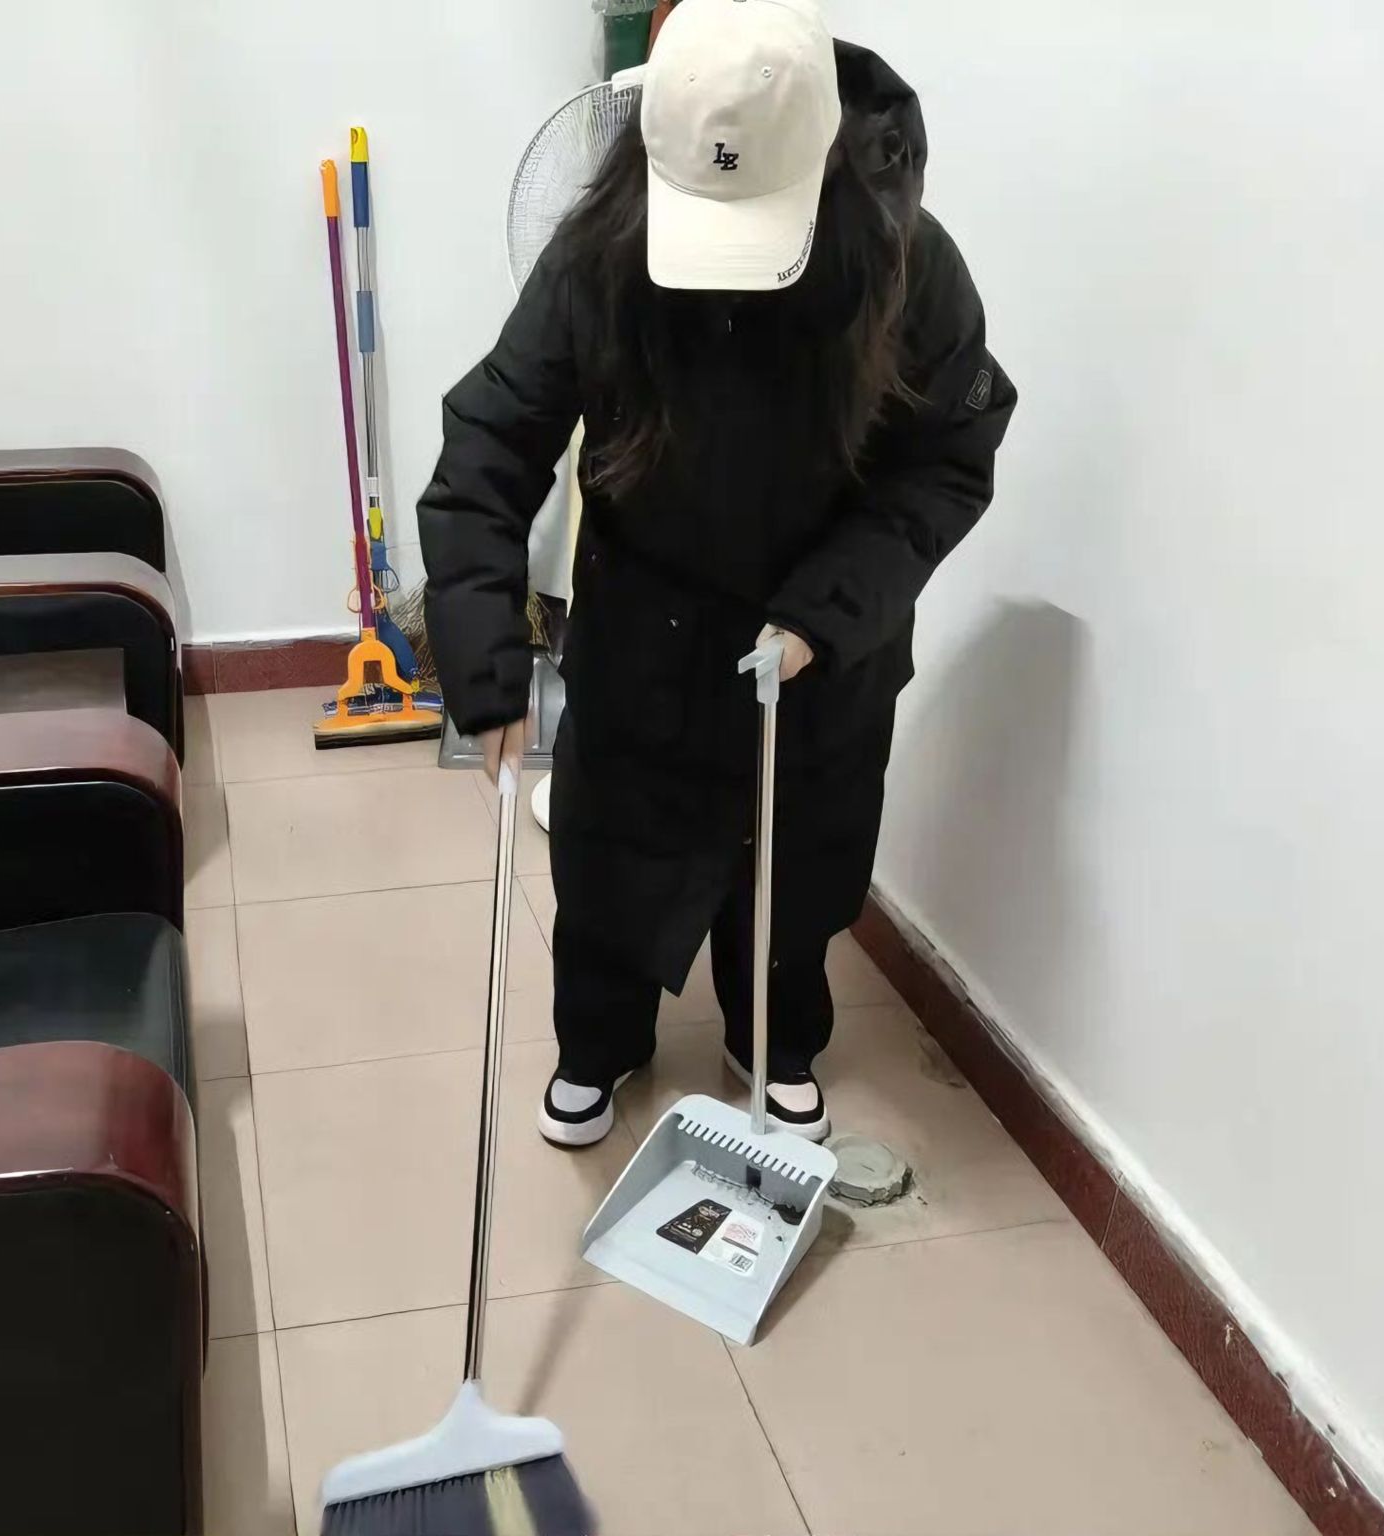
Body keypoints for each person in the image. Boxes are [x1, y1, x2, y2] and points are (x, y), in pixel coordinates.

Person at [419, 0, 1016, 1147]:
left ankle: (773, 1041)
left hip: (820, 633)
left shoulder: (906, 263)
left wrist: (826, 612)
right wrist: (484, 656)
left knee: (799, 853)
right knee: (609, 850)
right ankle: (597, 1042)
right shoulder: (600, 250)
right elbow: (491, 438)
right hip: (646, 616)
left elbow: (947, 458)